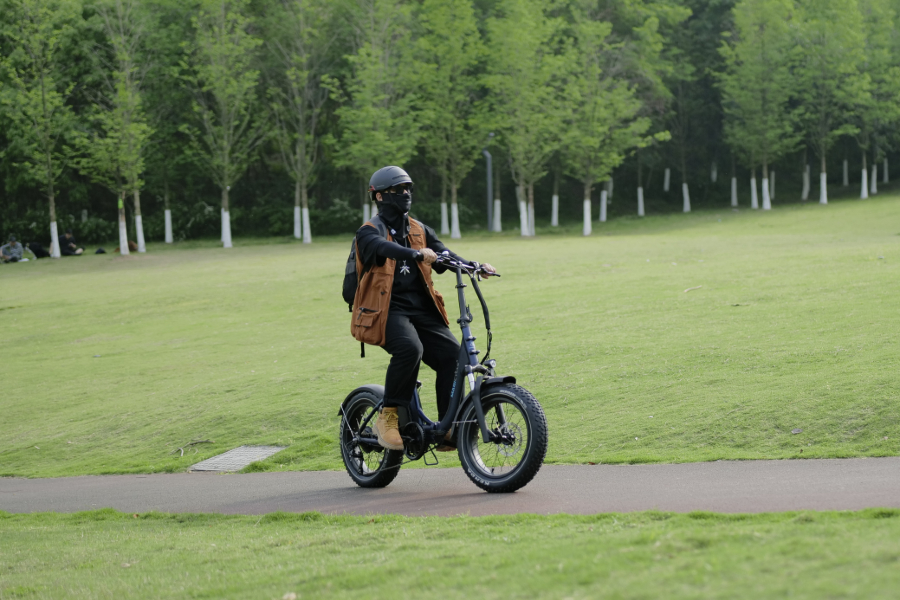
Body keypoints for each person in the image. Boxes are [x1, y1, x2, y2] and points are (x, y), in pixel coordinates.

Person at [353, 166, 496, 452]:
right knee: (409, 348)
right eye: (397, 190)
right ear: (379, 197)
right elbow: (383, 248)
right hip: (386, 311)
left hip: (423, 311)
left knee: (453, 358)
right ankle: (388, 417)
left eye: (408, 189)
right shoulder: (369, 232)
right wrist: (415, 253)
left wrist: (473, 266)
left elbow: (443, 254)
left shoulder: (419, 230)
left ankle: (447, 427)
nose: (405, 194)